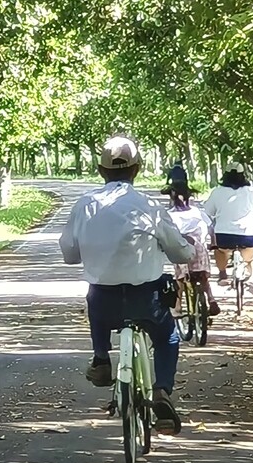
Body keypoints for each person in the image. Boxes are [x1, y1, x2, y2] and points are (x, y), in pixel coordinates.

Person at [60, 136, 195, 427]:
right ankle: (161, 390)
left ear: (100, 170)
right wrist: (187, 248)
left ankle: (101, 358)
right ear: (137, 168)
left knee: (94, 298)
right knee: (167, 337)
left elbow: (69, 254)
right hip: (146, 298)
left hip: (104, 301)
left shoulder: (85, 205)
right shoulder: (149, 205)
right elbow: (179, 251)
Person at [205, 162, 253, 294]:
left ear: (225, 175)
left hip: (224, 236)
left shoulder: (217, 192)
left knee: (220, 251)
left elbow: (208, 211)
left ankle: (222, 274)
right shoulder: (251, 191)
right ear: (243, 175)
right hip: (248, 236)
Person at [167, 183, 221, 318]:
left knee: (179, 278)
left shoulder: (168, 215)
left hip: (181, 248)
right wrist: (213, 243)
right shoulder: (197, 212)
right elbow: (210, 228)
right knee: (203, 277)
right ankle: (211, 299)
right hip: (198, 248)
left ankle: (177, 307)